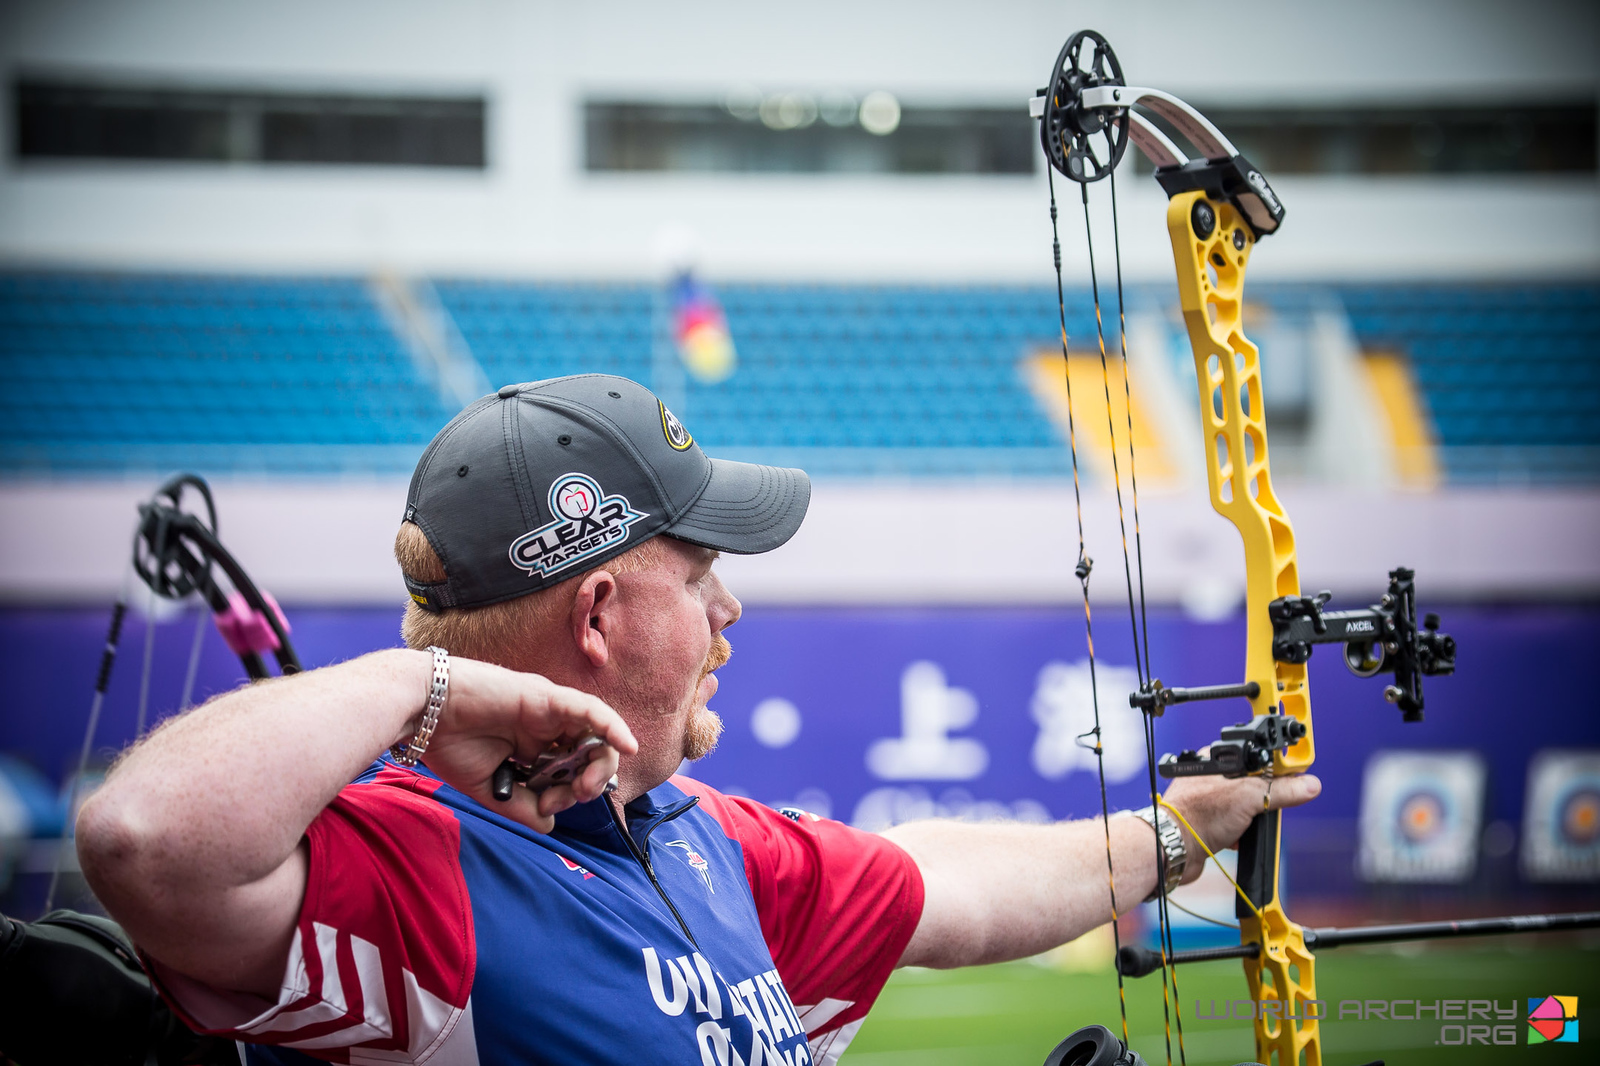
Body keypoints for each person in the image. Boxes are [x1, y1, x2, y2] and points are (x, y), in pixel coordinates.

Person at [77, 374, 1320, 1066]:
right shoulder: (413, 867)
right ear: (602, 611)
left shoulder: (695, 838)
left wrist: (1179, 828)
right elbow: (142, 838)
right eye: (699, 570)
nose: (730, 608)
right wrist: (427, 687)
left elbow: (948, 882)